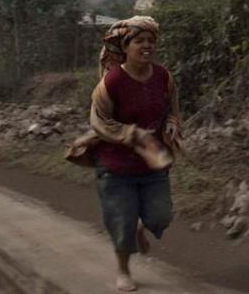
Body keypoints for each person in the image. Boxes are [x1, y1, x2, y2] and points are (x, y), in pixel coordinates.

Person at [71, 15, 183, 291]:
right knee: (122, 221)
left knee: (161, 215)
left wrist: (172, 123)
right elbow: (99, 121)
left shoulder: (163, 77)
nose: (147, 46)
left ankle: (139, 228)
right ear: (125, 46)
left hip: (153, 163)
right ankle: (123, 270)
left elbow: (173, 107)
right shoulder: (111, 82)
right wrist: (132, 135)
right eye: (139, 41)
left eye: (151, 41)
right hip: (115, 166)